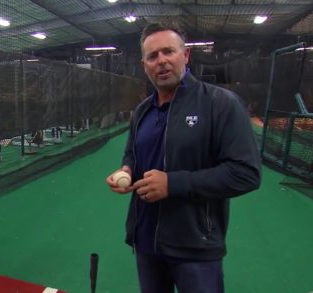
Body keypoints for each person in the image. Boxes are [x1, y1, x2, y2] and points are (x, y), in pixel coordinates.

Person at [105, 21, 261, 293]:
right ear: (145, 66)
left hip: (195, 247)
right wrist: (127, 170)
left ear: (185, 55)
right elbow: (131, 153)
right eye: (152, 56)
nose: (161, 61)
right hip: (146, 242)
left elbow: (246, 173)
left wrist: (173, 184)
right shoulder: (142, 111)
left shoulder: (220, 104)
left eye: (168, 51)